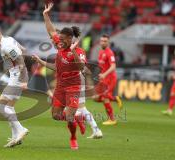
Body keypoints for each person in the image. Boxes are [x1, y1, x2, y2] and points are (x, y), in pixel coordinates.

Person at [42, 3, 87, 150]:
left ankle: (73, 138)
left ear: (69, 38)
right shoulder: (61, 44)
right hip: (60, 86)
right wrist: (45, 14)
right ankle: (77, 118)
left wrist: (73, 52)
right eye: (59, 38)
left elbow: (81, 68)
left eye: (62, 39)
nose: (58, 41)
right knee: (55, 116)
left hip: (74, 86)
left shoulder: (79, 51)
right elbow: (50, 31)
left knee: (68, 116)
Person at [32, 55, 103, 139]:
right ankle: (95, 129)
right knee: (80, 107)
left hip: (73, 81)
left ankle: (81, 119)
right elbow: (84, 68)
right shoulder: (78, 52)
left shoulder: (69, 53)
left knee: (70, 108)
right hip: (78, 79)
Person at [0, 23, 29, 148]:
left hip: (17, 78)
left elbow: (20, 60)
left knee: (0, 106)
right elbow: (23, 49)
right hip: (16, 77)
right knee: (9, 107)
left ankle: (21, 130)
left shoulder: (6, 46)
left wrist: (24, 79)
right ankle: (15, 137)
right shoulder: (9, 39)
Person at [92, 34, 123, 126]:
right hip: (103, 79)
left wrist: (105, 74)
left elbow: (113, 66)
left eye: (105, 41)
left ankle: (112, 119)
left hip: (110, 78)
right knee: (96, 98)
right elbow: (102, 66)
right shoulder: (101, 52)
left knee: (105, 98)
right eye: (101, 41)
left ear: (108, 42)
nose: (103, 42)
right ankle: (114, 99)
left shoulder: (110, 53)